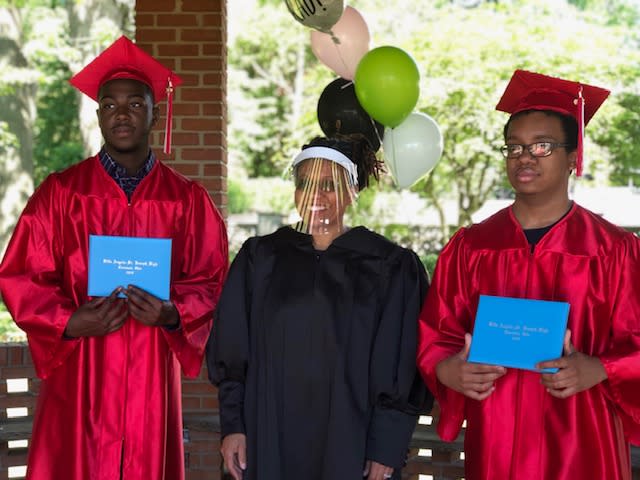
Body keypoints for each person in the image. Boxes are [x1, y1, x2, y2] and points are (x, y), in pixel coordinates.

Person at [0, 35, 228, 479]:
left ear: (154, 112)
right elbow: (21, 275)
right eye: (109, 104)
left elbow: (212, 279)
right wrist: (66, 320)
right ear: (99, 113)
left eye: (135, 104)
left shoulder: (186, 200)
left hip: (150, 373)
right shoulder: (62, 193)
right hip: (81, 370)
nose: (121, 114)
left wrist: (172, 312)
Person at [417, 69, 640, 480]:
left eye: (542, 146)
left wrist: (601, 367)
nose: (525, 157)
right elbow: (437, 335)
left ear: (574, 158)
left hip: (583, 438)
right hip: (497, 437)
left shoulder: (612, 250)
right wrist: (449, 369)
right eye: (514, 147)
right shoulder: (471, 247)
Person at [206, 135, 432, 480]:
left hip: (352, 443)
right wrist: (233, 426)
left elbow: (400, 362)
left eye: (329, 185)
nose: (316, 196)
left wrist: (386, 445)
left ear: (352, 192)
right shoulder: (260, 259)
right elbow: (233, 350)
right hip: (269, 438)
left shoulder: (390, 266)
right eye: (305, 184)